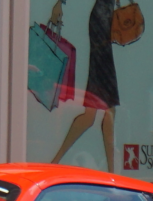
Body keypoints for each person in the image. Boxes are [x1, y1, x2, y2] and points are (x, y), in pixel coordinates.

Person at [51, 0, 120, 173]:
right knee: (108, 109)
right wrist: (59, 4)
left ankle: (55, 160)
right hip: (102, 22)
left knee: (95, 113)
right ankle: (112, 174)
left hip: (105, 20)